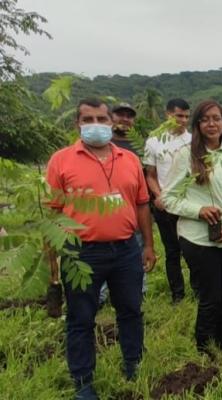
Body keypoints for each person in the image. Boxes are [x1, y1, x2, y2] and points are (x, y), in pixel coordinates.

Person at [46, 98, 156, 399]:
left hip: (126, 249)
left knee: (131, 311)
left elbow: (142, 204)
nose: (95, 125)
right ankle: (83, 381)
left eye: (101, 119)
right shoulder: (61, 160)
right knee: (81, 318)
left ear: (112, 123)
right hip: (80, 252)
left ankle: (133, 363)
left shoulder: (130, 160)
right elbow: (53, 214)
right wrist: (53, 265)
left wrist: (148, 245)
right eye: (88, 119)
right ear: (77, 124)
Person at [161, 100, 222, 354]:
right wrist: (198, 211)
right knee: (210, 297)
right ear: (197, 124)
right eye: (205, 119)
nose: (212, 124)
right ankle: (204, 350)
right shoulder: (186, 156)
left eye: (217, 118)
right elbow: (167, 198)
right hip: (199, 238)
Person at [144, 98, 194, 303]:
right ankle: (178, 294)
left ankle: (199, 290)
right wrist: (159, 195)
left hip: (190, 205)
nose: (182, 120)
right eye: (178, 116)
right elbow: (150, 174)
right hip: (166, 205)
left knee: (193, 249)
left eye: (186, 117)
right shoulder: (154, 141)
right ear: (168, 115)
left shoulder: (194, 140)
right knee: (172, 251)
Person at [98, 103, 148, 305]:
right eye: (120, 115)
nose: (125, 119)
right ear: (110, 118)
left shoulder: (139, 147)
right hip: (101, 212)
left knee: (136, 251)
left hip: (133, 209)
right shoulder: (102, 145)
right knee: (100, 255)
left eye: (129, 116)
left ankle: (138, 291)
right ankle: (100, 295)